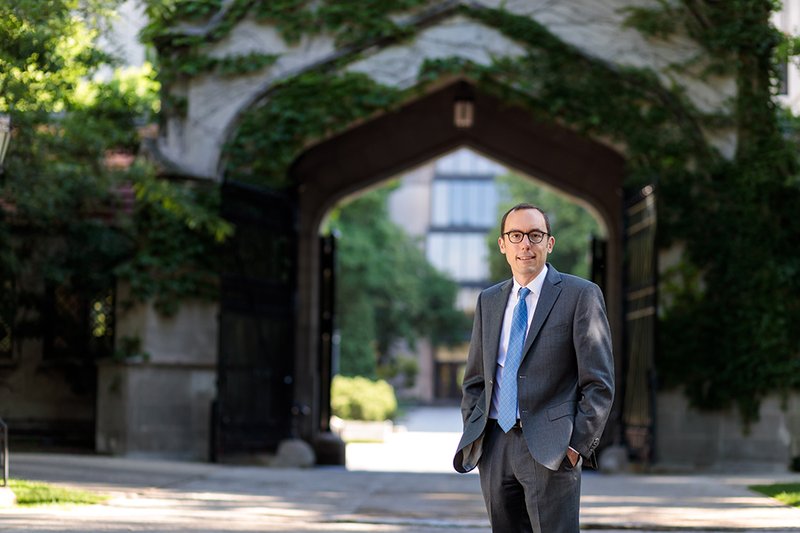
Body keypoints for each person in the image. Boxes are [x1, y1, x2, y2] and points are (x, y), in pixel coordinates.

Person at [453, 203, 615, 533]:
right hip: (495, 445)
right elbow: (475, 379)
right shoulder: (489, 300)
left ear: (549, 243)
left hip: (552, 448)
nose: (525, 244)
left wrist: (576, 447)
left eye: (535, 235)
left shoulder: (580, 295)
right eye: (516, 235)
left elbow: (598, 383)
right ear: (503, 244)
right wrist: (477, 429)